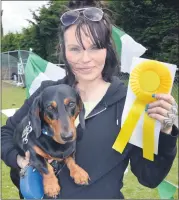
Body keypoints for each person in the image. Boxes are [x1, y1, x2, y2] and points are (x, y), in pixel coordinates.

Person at [1, 0, 178, 199]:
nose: (85, 59)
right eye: (75, 49)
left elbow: (149, 177)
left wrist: (166, 132)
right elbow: (5, 134)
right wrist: (21, 161)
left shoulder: (130, 103)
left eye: (95, 47)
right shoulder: (47, 92)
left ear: (107, 49)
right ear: (64, 50)